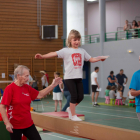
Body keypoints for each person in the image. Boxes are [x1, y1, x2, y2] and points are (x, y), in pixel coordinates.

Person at [35, 29, 108, 121]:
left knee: (80, 97)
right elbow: (54, 53)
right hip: (69, 78)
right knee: (73, 95)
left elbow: (91, 59)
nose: (77, 42)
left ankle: (70, 108)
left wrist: (100, 59)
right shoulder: (66, 51)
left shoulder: (82, 51)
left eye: (78, 40)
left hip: (78, 77)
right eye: (75, 40)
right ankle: (73, 115)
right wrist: (43, 56)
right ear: (70, 40)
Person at [0, 65, 62, 140]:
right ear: (18, 76)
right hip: (14, 126)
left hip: (28, 124)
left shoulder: (27, 87)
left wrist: (53, 85)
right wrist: (7, 123)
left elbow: (40, 94)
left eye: (28, 76)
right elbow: (2, 107)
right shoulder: (9, 89)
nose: (28, 79)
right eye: (26, 76)